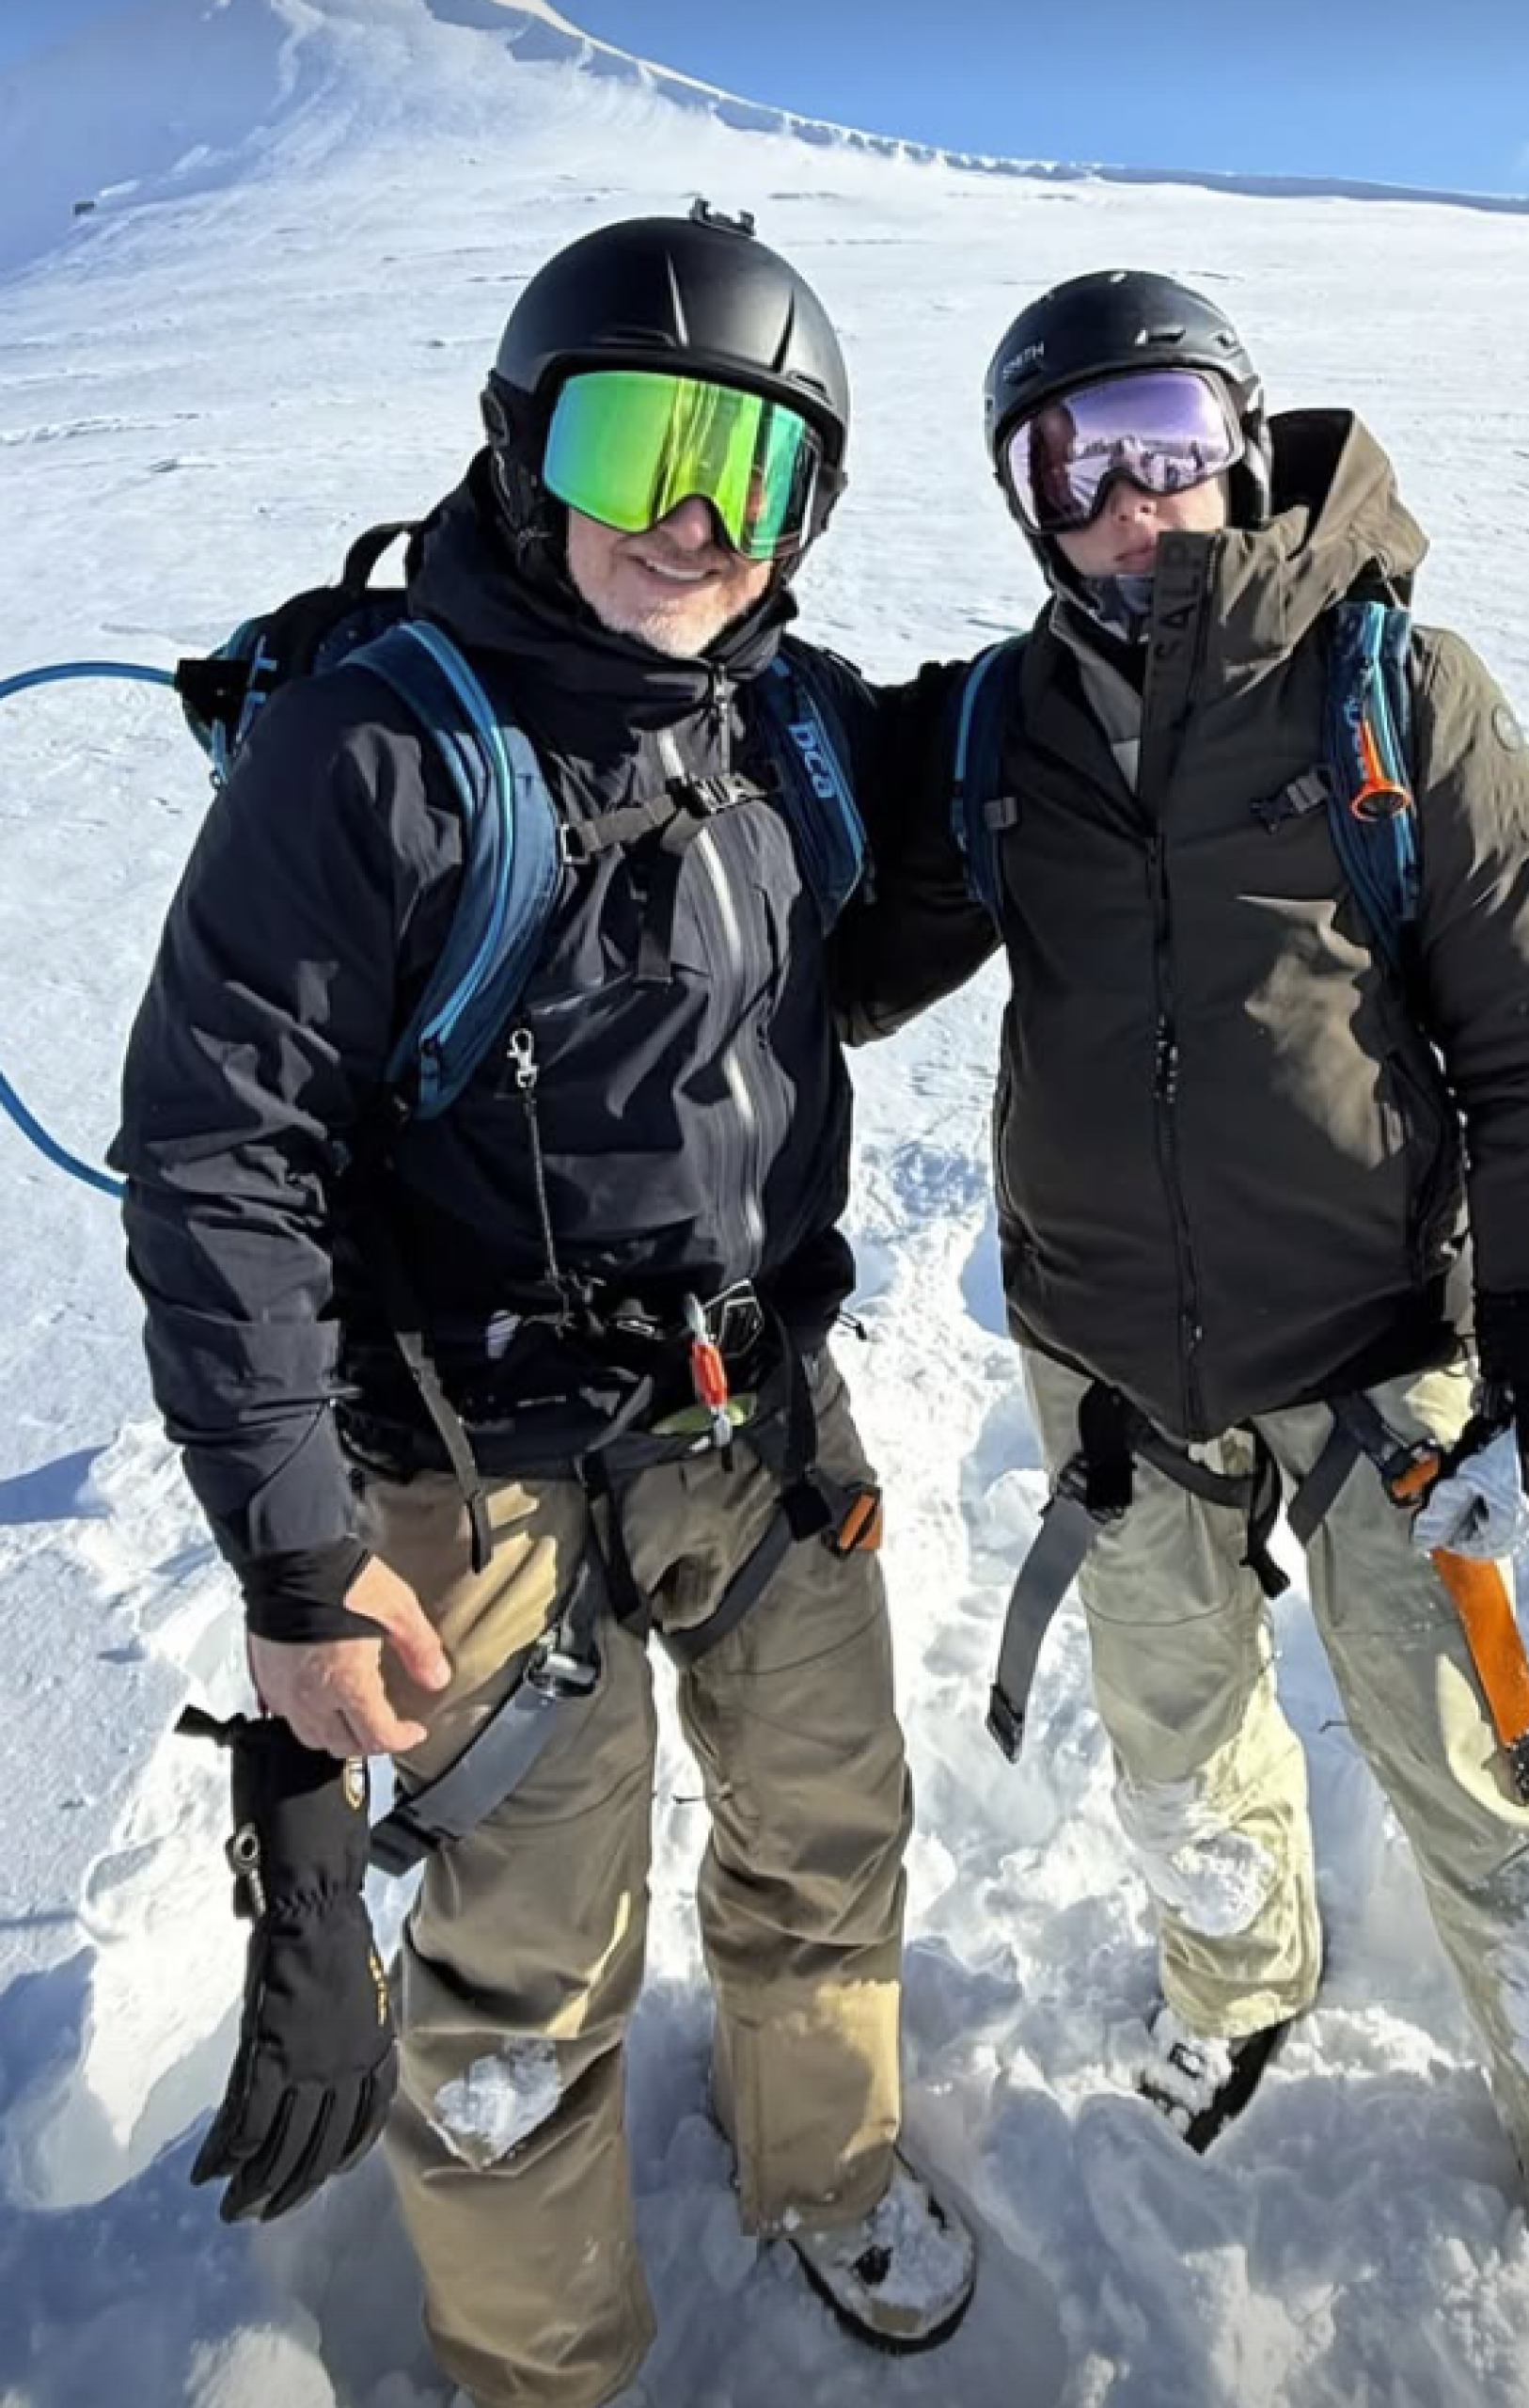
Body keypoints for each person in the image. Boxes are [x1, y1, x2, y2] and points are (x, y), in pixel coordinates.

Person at [843, 268, 1529, 2406]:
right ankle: (1239, 1975)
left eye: (1169, 427)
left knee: (1489, 1767)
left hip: (1382, 1363)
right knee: (1174, 1746)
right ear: (1026, 503)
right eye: (1072, 459)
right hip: (1106, 1369)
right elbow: (797, 905)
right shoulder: (1004, 729)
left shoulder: (1395, 692)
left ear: (1245, 438)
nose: (1134, 492)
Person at [112, 204, 976, 2408]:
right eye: (640, 446)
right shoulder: (380, 752)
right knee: (516, 1971)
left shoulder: (779, 722)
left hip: (761, 1428)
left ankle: (824, 2155)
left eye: (757, 472)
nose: (694, 521)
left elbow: (843, 946)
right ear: (522, 452)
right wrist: (300, 1565)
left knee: (828, 1824)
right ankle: (544, 2359)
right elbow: (227, 1157)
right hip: (468, 1482)